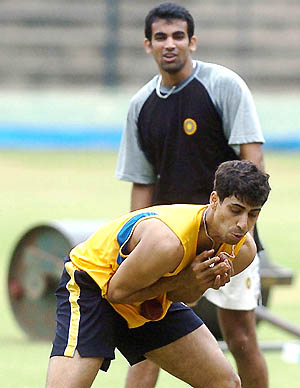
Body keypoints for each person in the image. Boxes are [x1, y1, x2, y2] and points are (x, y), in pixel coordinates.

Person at [115, 3, 268, 388]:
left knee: (241, 337)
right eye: (161, 37)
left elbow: (254, 162)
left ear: (192, 42)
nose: (171, 44)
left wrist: (244, 229)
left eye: (178, 36)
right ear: (147, 45)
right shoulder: (140, 106)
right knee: (147, 338)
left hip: (228, 238)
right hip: (172, 240)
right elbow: (142, 182)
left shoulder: (223, 85)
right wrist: (135, 244)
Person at [46, 160, 270, 388]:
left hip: (147, 292)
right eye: (235, 210)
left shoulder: (242, 251)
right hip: (94, 285)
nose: (243, 224)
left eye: (253, 214)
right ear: (214, 200)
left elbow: (184, 296)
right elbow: (116, 293)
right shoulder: (168, 241)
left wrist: (199, 283)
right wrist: (186, 279)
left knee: (225, 383)